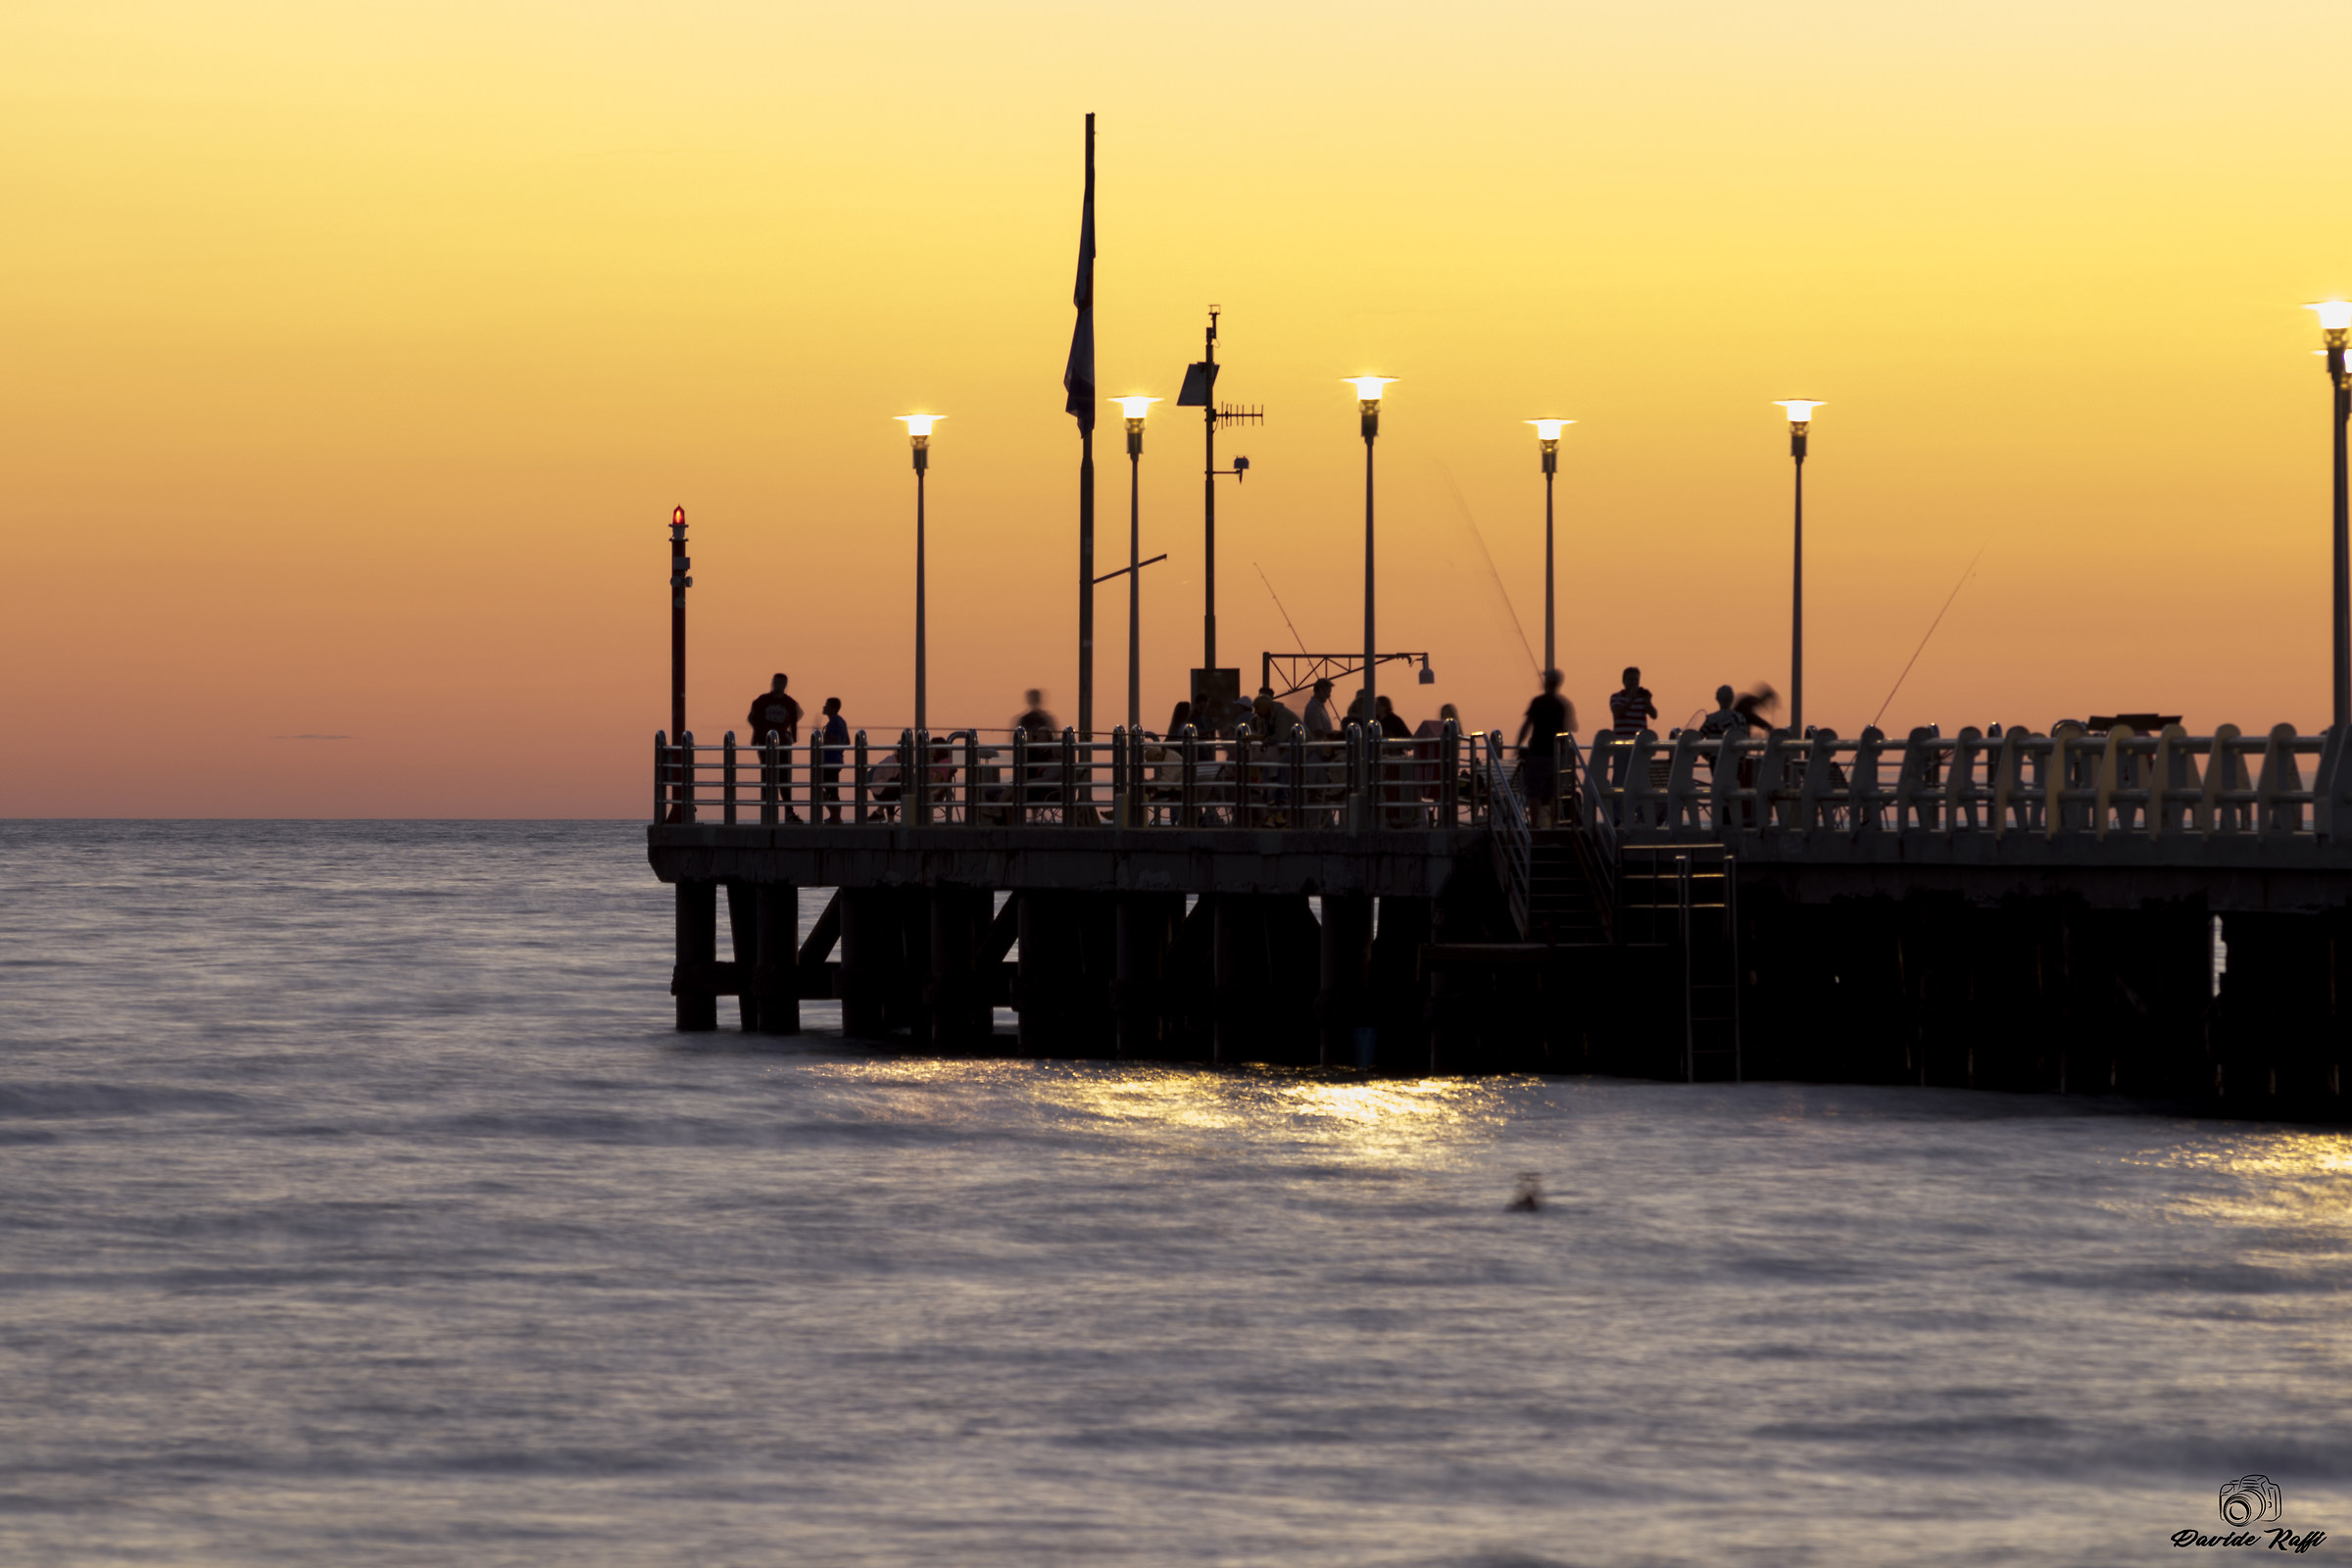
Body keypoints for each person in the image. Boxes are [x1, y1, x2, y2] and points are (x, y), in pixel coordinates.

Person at [1516, 670, 1575, 827]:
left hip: (1537, 754)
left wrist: (1517, 744)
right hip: (1556, 755)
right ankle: (1554, 826)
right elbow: (1571, 727)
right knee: (1553, 793)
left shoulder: (1537, 702)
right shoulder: (1562, 704)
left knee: (1534, 792)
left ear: (1546, 683)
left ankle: (1535, 826)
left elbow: (1527, 725)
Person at [818, 697, 848, 824]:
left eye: (827, 705)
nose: (824, 707)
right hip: (836, 761)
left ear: (833, 708)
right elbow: (847, 742)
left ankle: (835, 817)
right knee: (831, 790)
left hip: (829, 762)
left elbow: (835, 740)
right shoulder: (841, 721)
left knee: (827, 791)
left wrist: (821, 740)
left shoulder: (833, 722)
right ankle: (835, 816)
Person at [1608, 666, 1657, 739]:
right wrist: (1631, 700)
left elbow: (1654, 715)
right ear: (1624, 681)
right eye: (1631, 680)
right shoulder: (1616, 697)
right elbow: (1617, 713)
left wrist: (1648, 701)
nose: (1634, 683)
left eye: (1636, 680)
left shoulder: (1642, 698)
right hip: (1621, 743)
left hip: (1638, 743)